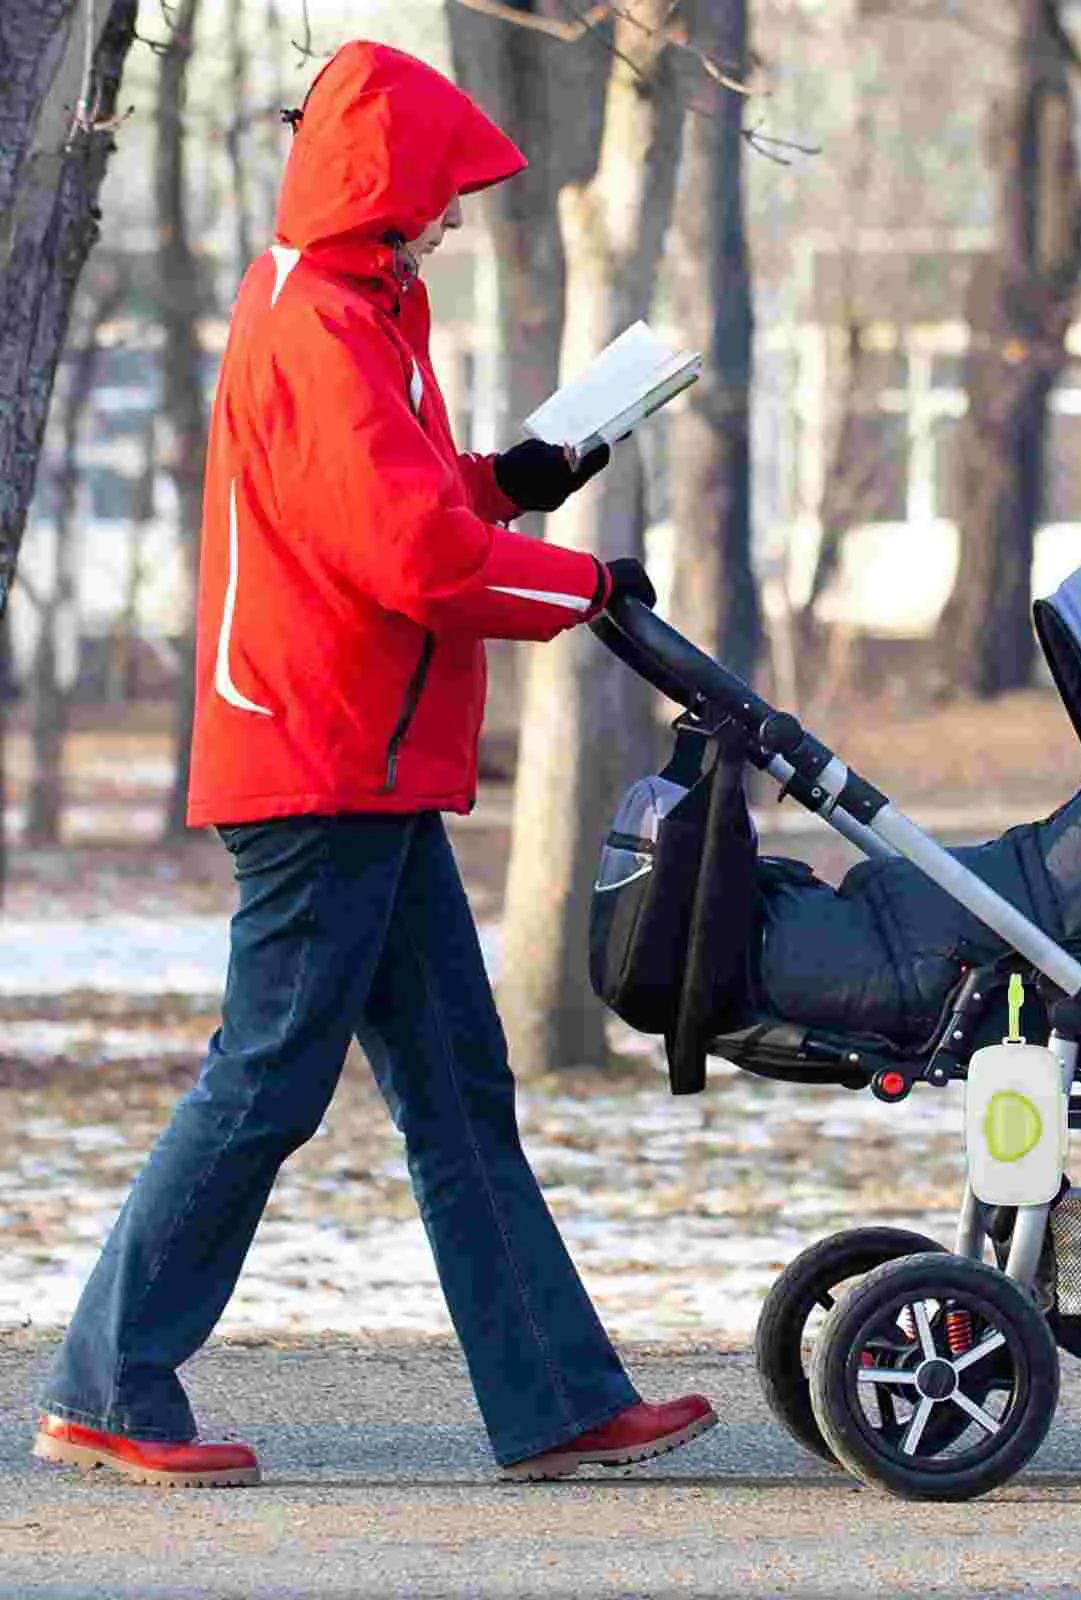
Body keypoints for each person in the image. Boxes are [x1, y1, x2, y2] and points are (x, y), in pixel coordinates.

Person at [31, 39, 714, 1488]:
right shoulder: (320, 331)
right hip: (317, 761)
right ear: (385, 189)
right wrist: (578, 585)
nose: (455, 218)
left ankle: (555, 1401)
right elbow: (408, 561)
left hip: (371, 765)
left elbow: (406, 506)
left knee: (460, 1090)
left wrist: (516, 483)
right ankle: (105, 1379)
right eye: (442, 192)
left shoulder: (355, 310)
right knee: (268, 1078)